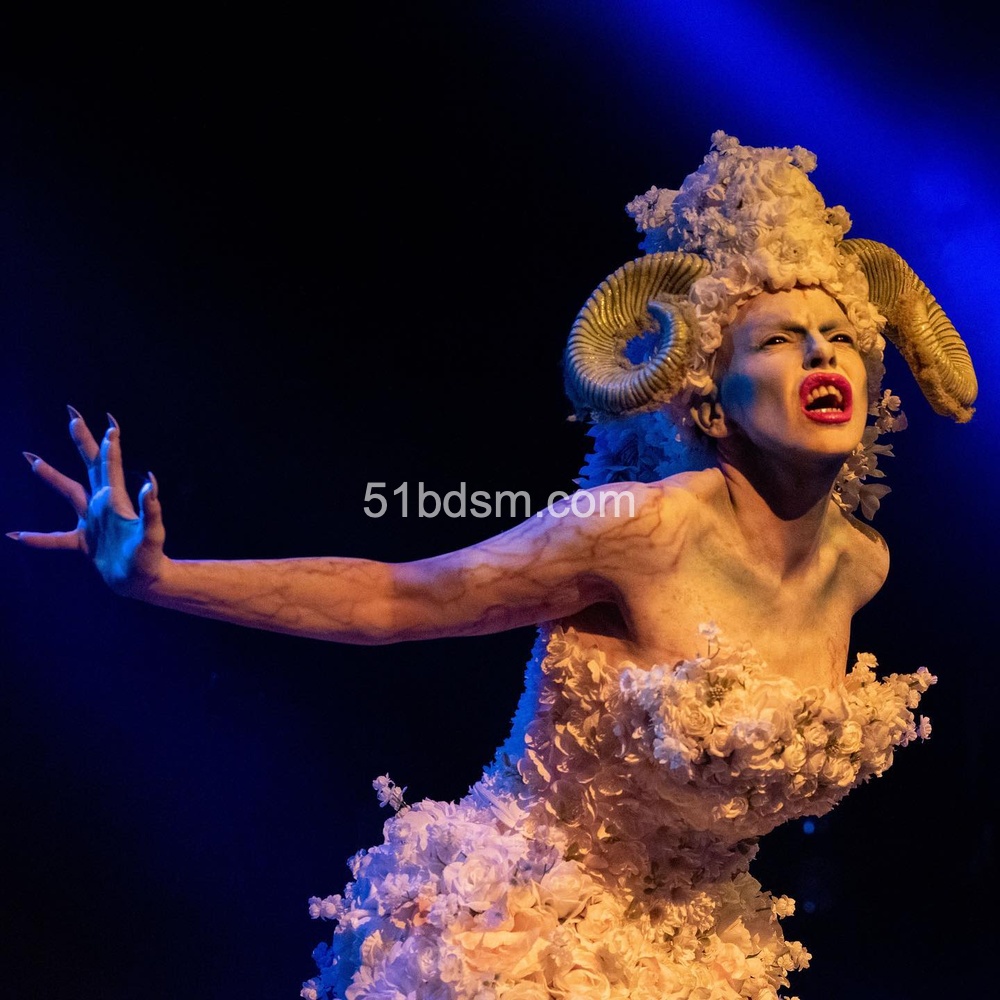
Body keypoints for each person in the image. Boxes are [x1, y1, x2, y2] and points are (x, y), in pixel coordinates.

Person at [10, 133, 978, 1000]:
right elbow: (395, 597)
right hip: (525, 939)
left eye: (841, 338)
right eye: (778, 339)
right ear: (710, 403)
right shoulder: (635, 527)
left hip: (703, 958)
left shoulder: (860, 564)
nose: (822, 355)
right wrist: (162, 579)